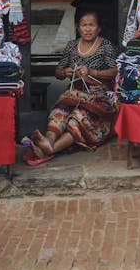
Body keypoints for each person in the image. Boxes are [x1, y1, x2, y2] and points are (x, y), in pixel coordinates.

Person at [25, 10, 119, 166]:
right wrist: (64, 72)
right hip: (74, 93)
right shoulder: (71, 46)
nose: (88, 29)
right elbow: (58, 71)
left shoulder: (106, 46)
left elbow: (115, 71)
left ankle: (49, 149)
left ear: (99, 28)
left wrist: (92, 72)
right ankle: (49, 141)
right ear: (78, 28)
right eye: (84, 25)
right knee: (59, 112)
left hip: (99, 96)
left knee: (78, 118)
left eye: (92, 25)